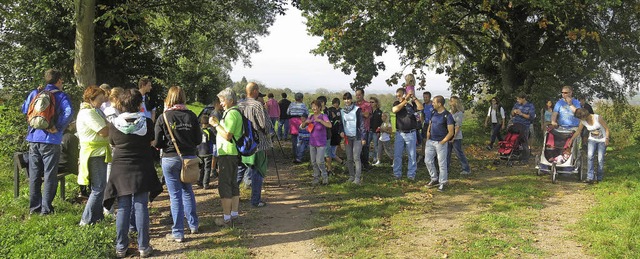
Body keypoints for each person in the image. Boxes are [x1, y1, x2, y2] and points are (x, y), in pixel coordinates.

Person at [103, 89, 162, 258]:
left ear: (121, 104)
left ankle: (121, 247)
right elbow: (152, 141)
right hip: (141, 165)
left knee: (123, 206)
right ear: (139, 104)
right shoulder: (147, 123)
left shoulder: (114, 124)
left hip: (120, 167)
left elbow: (112, 142)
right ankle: (144, 247)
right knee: (141, 205)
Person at [22, 69, 73, 215]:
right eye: (62, 81)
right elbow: (68, 112)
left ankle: (34, 208)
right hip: (51, 139)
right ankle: (46, 209)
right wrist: (58, 127)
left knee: (35, 175)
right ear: (58, 81)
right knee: (50, 174)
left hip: (33, 138)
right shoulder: (61, 96)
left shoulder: (35, 93)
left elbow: (24, 109)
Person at [154, 86, 201, 242]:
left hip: (170, 158)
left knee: (175, 196)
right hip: (188, 158)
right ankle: (194, 225)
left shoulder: (164, 117)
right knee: (188, 190)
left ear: (169, 98)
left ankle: (178, 232)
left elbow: (158, 142)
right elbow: (198, 140)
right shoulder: (192, 116)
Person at [209, 88, 242, 227]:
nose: (221, 103)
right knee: (233, 184)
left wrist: (216, 124)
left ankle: (227, 218)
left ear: (230, 100)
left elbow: (228, 135)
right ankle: (233, 215)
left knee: (225, 185)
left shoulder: (232, 114)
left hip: (228, 153)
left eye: (223, 100)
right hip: (232, 153)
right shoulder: (233, 113)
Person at [77, 86, 110, 226]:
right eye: (100, 100)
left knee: (100, 187)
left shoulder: (93, 111)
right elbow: (104, 131)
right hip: (94, 154)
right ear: (91, 99)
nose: (102, 103)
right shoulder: (88, 113)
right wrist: (109, 126)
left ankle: (97, 218)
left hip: (99, 152)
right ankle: (86, 220)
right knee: (98, 187)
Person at [238, 82, 273, 207]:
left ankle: (231, 197)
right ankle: (255, 200)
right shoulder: (258, 105)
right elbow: (264, 125)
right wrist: (269, 132)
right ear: (254, 91)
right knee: (257, 170)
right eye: (257, 91)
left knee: (241, 169)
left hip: (243, 143)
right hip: (258, 144)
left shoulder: (239, 104)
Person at [570, 108, 610, 184]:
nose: (581, 119)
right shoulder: (583, 121)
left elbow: (607, 129)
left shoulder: (597, 118)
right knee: (590, 156)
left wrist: (607, 139)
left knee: (600, 159)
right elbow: (578, 131)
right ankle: (590, 177)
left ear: (585, 115)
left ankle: (599, 178)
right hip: (592, 139)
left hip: (602, 140)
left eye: (581, 117)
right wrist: (571, 139)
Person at [391, 88, 423, 180]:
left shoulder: (412, 105)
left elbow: (420, 108)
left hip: (411, 133)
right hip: (399, 133)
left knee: (412, 155)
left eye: (399, 95)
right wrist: (405, 100)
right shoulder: (397, 104)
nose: (398, 97)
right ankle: (397, 174)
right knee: (397, 155)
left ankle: (411, 174)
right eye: (397, 96)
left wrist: (414, 98)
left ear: (405, 94)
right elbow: (395, 110)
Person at [425, 96, 454, 191]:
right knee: (427, 161)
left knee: (441, 163)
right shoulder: (433, 112)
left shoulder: (448, 115)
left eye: (434, 102)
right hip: (431, 141)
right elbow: (430, 123)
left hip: (440, 143)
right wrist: (428, 132)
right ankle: (434, 179)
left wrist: (443, 141)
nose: (432, 103)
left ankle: (443, 182)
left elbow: (451, 132)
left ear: (439, 104)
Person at [302, 100, 332, 185]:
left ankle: (325, 177)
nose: (314, 108)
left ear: (319, 107)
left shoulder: (323, 116)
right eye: (312, 106)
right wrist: (306, 122)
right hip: (312, 142)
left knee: (320, 161)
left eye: (316, 106)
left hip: (321, 143)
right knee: (313, 162)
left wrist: (320, 121)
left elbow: (329, 125)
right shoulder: (310, 116)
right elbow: (303, 126)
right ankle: (316, 178)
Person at [339, 92, 366, 184]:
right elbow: (341, 124)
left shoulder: (357, 110)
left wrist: (363, 137)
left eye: (348, 99)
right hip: (347, 137)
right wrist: (341, 131)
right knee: (349, 158)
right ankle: (351, 176)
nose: (347, 101)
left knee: (356, 158)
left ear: (351, 99)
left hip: (357, 137)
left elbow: (361, 124)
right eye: (345, 99)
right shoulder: (342, 111)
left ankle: (357, 178)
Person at [447, 96, 471, 175]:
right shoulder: (450, 111)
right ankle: (446, 169)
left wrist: (454, 137)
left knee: (458, 153)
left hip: (456, 137)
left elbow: (458, 126)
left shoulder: (459, 113)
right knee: (447, 153)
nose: (450, 102)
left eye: (451, 101)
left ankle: (466, 169)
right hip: (449, 135)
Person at [510, 93, 536, 162]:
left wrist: (521, 114)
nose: (517, 100)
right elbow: (512, 114)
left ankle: (525, 158)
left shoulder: (530, 106)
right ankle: (513, 155)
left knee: (524, 142)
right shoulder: (516, 105)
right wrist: (514, 111)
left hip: (524, 125)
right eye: (517, 99)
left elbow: (531, 117)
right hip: (516, 124)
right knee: (513, 140)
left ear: (523, 98)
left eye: (519, 99)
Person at [288, 93, 308, 163]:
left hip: (292, 122)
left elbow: (288, 112)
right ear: (302, 98)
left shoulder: (291, 104)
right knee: (300, 140)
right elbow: (307, 113)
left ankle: (294, 154)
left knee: (294, 139)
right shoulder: (303, 105)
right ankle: (299, 156)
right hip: (300, 121)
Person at [325, 98, 344, 174]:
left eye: (337, 103)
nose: (335, 104)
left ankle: (341, 161)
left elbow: (341, 121)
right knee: (330, 151)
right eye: (334, 103)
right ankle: (341, 162)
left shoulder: (341, 110)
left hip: (337, 132)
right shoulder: (330, 110)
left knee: (332, 151)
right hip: (330, 132)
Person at [355, 89, 372, 169]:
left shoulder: (367, 104)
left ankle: (366, 164)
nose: (357, 96)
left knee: (365, 147)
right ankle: (359, 164)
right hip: (355, 129)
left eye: (359, 95)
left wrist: (358, 113)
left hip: (365, 129)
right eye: (356, 95)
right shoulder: (354, 104)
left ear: (362, 95)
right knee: (357, 148)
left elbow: (366, 114)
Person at [197, 115, 214, 189]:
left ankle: (199, 181)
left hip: (199, 152)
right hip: (208, 152)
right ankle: (206, 184)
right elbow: (214, 141)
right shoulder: (209, 131)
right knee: (207, 168)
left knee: (201, 168)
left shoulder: (198, 131)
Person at [418, 91, 434, 164]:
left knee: (432, 141)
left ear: (430, 97)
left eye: (426, 97)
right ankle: (423, 156)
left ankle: (433, 157)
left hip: (433, 125)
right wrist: (421, 123)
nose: (425, 99)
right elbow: (422, 115)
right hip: (426, 125)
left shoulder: (433, 105)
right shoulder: (423, 105)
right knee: (424, 141)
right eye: (424, 97)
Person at [369, 97, 383, 165]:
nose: (371, 103)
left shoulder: (379, 112)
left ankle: (376, 158)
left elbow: (381, 123)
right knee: (366, 145)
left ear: (376, 103)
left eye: (372, 102)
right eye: (370, 102)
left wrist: (379, 131)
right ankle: (367, 157)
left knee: (375, 146)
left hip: (375, 132)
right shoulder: (368, 111)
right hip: (368, 131)